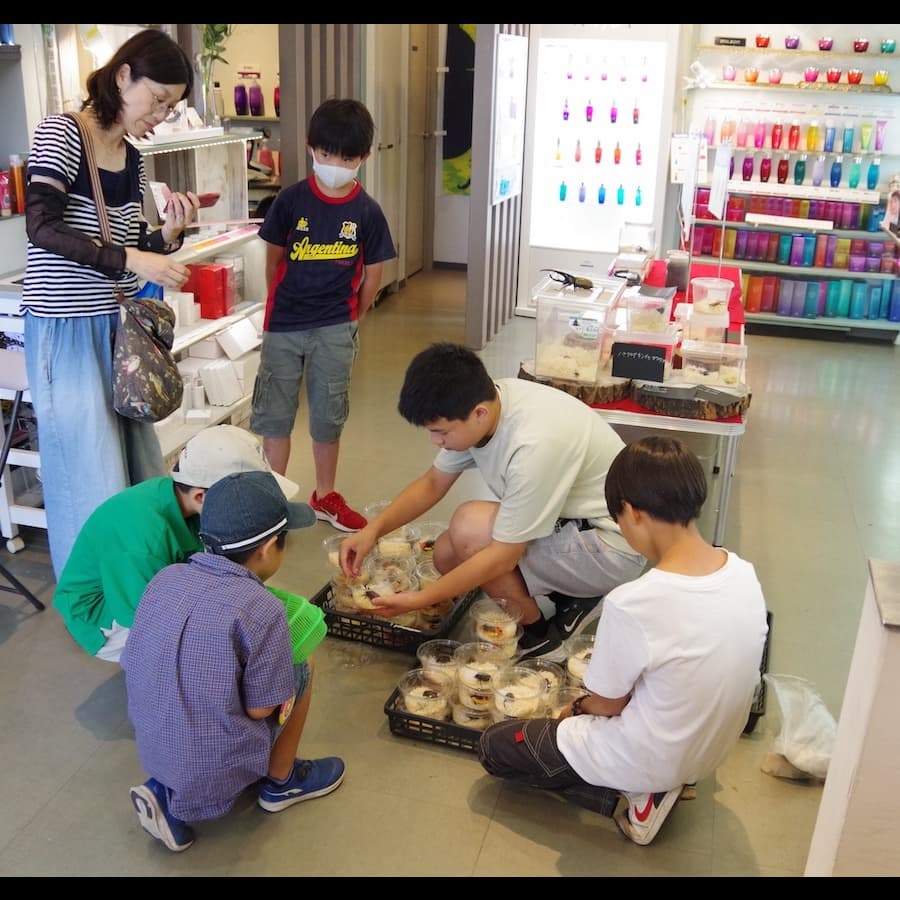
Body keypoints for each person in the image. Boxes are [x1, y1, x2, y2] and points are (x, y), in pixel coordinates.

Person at [477, 435, 769, 846]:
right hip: (712, 751)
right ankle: (661, 781)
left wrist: (575, 709)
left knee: (494, 747)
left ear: (631, 513)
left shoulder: (634, 602)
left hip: (650, 757)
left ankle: (634, 794)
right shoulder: (743, 573)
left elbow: (607, 705)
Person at [339, 342, 646, 660]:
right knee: (445, 554)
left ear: (479, 414)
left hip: (611, 547)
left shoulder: (533, 443)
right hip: (572, 522)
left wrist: (418, 599)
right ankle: (568, 593)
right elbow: (432, 483)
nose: (435, 441)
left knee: (469, 529)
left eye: (441, 432)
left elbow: (501, 558)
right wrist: (372, 531)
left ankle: (540, 634)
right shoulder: (486, 403)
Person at [22, 27, 200, 577]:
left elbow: (122, 243)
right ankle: (92, 594)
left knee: (134, 471)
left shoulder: (131, 158)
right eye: (158, 100)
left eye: (170, 107)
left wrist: (166, 236)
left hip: (115, 332)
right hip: (67, 332)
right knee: (87, 475)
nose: (160, 115)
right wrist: (136, 259)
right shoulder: (62, 133)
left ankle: (134, 587)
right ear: (123, 76)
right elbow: (41, 227)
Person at [123, 470, 345, 852]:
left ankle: (165, 787)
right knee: (304, 667)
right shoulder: (264, 609)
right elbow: (261, 710)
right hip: (216, 758)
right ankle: (282, 781)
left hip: (153, 741)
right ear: (269, 547)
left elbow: (134, 661)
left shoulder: (166, 578)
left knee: (190, 698)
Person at [250, 97, 396, 533]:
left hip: (335, 326)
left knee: (329, 414)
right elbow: (273, 262)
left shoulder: (367, 211)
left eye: (347, 158)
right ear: (311, 148)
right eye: (327, 154)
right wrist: (281, 305)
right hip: (283, 325)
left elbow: (373, 275)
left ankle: (325, 495)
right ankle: (273, 499)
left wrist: (351, 318)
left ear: (364, 157)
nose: (335, 165)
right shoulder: (290, 201)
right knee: (275, 414)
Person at [53, 425, 300, 663]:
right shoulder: (145, 541)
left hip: (152, 579)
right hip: (103, 614)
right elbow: (146, 622)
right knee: (210, 648)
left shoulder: (185, 501)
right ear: (200, 496)